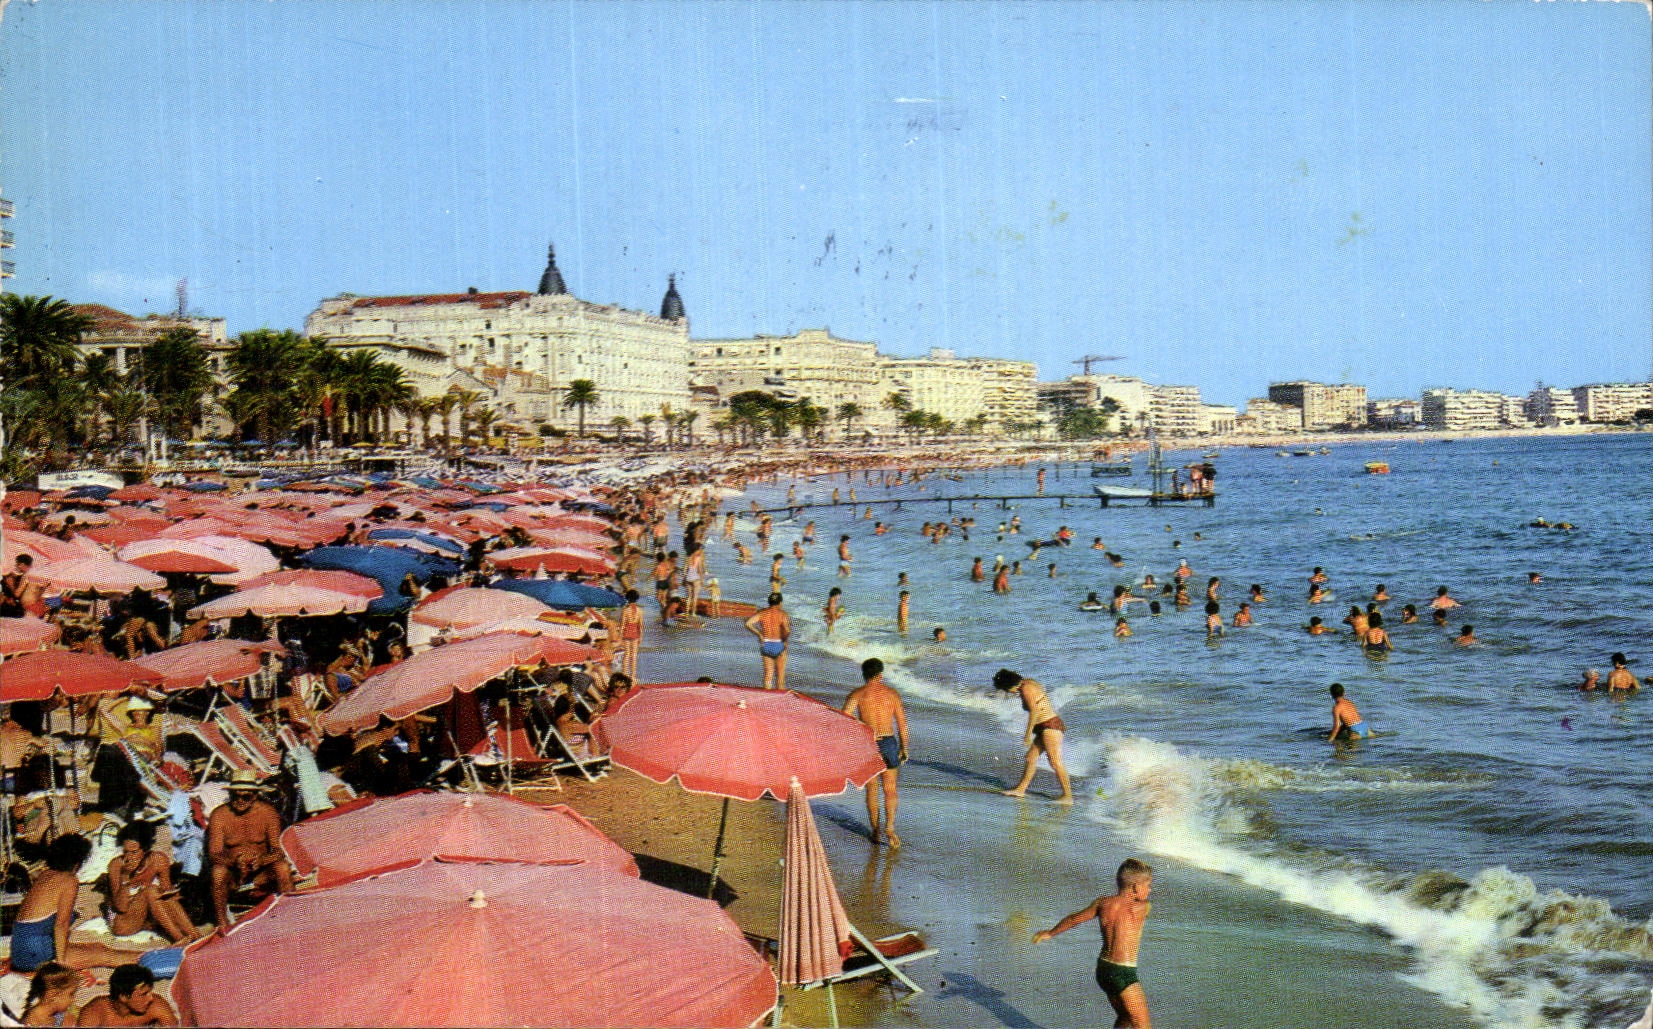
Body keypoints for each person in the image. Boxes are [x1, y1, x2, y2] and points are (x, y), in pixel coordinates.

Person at [1032, 859, 1155, 1029]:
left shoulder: (1102, 903)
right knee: (1143, 1024)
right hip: (1123, 972)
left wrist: (1050, 933)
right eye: (1148, 885)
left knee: (1125, 1016)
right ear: (1135, 887)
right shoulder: (1142, 908)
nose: (1150, 890)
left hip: (1104, 970)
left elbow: (1074, 919)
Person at [11, 835, 144, 972]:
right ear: (77, 863)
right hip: (35, 953)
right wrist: (61, 963)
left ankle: (149, 957)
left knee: (97, 947)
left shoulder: (45, 874)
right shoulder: (69, 880)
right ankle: (151, 960)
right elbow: (61, 924)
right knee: (104, 955)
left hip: (20, 951)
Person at [207, 771, 294, 930]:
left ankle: (292, 915)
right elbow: (214, 854)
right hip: (235, 875)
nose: (240, 800)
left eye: (245, 796)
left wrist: (262, 860)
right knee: (218, 873)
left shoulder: (268, 813)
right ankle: (223, 925)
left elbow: (279, 850)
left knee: (282, 867)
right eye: (235, 796)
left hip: (261, 873)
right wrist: (233, 861)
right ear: (230, 795)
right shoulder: (219, 816)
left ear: (254, 796)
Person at [842, 658, 908, 848]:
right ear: (880, 675)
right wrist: (904, 747)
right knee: (890, 788)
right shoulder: (892, 694)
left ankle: (876, 831)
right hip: (888, 742)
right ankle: (890, 827)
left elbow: (844, 719)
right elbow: (902, 725)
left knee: (872, 789)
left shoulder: (858, 694)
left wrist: (861, 727)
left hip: (868, 742)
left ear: (864, 675)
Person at [107, 821, 198, 944]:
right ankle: (179, 939)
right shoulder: (117, 865)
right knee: (150, 891)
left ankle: (195, 934)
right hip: (123, 922)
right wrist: (126, 877)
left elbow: (167, 895)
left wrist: (173, 894)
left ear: (145, 849)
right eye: (125, 851)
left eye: (134, 852)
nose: (128, 857)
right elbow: (120, 907)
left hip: (148, 917)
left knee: (167, 897)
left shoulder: (158, 860)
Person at [994, 669, 1073, 804]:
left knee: (1055, 761)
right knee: (1030, 758)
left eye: (1006, 689)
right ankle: (1020, 790)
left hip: (1050, 726)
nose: (1008, 693)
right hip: (1045, 727)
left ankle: (1068, 796)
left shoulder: (1027, 688)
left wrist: (1027, 735)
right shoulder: (1027, 683)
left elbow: (1034, 712)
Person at [73, 964, 177, 1027]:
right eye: (143, 994)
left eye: (150, 992)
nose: (150, 998)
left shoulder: (156, 1006)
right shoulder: (96, 1012)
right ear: (123, 996)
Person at [743, 593, 791, 690]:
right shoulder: (783, 614)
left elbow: (748, 623)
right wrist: (784, 640)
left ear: (769, 602)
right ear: (780, 603)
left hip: (766, 643)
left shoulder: (762, 613)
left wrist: (759, 634)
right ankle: (780, 698)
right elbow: (787, 630)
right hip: (779, 644)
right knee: (780, 676)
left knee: (768, 674)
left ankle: (767, 695)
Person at [19, 962, 81, 1027]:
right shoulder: (32, 1021)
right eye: (71, 994)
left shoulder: (60, 1016)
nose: (74, 999)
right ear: (53, 995)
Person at [617, 589, 644, 679]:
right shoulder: (640, 610)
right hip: (635, 632)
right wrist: (641, 636)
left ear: (627, 598)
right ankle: (633, 676)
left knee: (627, 654)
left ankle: (625, 674)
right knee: (634, 655)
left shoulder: (625, 610)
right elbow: (640, 625)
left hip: (627, 632)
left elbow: (622, 625)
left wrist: (620, 636)